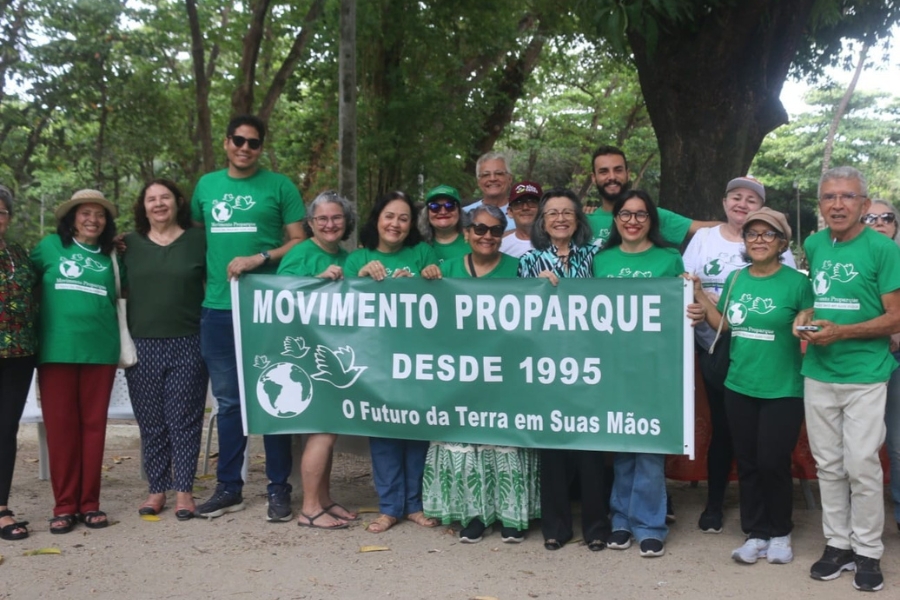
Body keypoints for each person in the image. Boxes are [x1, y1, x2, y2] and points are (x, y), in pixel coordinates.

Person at [191, 114, 306, 521]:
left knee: (275, 399)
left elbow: (299, 240)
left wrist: (260, 258)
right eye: (238, 140)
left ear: (261, 148)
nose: (244, 147)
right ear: (226, 143)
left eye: (253, 143)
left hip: (267, 308)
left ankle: (279, 488)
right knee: (228, 403)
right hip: (218, 308)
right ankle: (229, 488)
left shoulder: (279, 186)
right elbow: (191, 236)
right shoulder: (206, 186)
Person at [796, 167, 900, 592]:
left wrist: (844, 332)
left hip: (866, 372)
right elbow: (814, 298)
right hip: (818, 371)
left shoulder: (883, 249)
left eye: (847, 197)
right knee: (828, 465)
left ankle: (868, 551)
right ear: (820, 205)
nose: (837, 205)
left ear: (863, 203)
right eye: (829, 197)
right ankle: (837, 544)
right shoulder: (814, 243)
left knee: (862, 463)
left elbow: (896, 316)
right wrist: (803, 320)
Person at [691, 207, 812, 565]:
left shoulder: (798, 283)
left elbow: (810, 323)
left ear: (782, 243)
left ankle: (780, 532)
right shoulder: (737, 279)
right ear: (744, 241)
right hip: (739, 385)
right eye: (752, 234)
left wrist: (809, 324)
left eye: (767, 234)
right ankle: (755, 532)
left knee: (773, 461)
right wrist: (698, 293)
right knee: (746, 462)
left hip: (783, 388)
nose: (759, 240)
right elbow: (725, 326)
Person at [682, 176, 797, 534]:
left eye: (751, 199)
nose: (741, 204)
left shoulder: (783, 257)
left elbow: (789, 297)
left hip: (766, 353)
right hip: (712, 346)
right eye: (736, 197)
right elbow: (685, 283)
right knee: (726, 430)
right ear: (724, 201)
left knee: (766, 444)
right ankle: (717, 506)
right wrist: (698, 301)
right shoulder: (705, 240)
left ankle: (773, 523)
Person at [422, 204, 537, 543]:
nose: (488, 236)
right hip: (460, 374)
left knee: (506, 445)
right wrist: (423, 279)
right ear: (467, 233)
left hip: (507, 373)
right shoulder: (446, 269)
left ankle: (512, 516)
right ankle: (474, 515)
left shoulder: (520, 269)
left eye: (496, 231)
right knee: (469, 445)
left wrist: (546, 285)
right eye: (481, 230)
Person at [593, 190, 685, 558]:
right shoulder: (602, 260)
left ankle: (649, 524)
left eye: (641, 215)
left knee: (649, 444)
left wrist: (693, 310)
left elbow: (683, 307)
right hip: (614, 365)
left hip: (656, 366)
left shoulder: (669, 258)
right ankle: (620, 521)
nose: (633, 221)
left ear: (651, 220)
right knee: (621, 442)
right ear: (615, 221)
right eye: (625, 215)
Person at [344, 191, 441, 533]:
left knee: (416, 430)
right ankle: (389, 507)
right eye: (389, 216)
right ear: (377, 219)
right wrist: (362, 278)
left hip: (417, 357)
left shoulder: (423, 252)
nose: (395, 224)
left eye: (403, 218)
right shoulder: (359, 258)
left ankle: (414, 505)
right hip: (376, 360)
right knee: (383, 430)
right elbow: (342, 306)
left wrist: (429, 276)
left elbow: (443, 296)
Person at [518, 188, 608, 550]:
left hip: (590, 361)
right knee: (552, 445)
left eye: (567, 212)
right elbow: (519, 311)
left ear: (578, 220)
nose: (559, 218)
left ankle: (597, 527)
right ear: (542, 222)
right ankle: (555, 527)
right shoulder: (528, 262)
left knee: (591, 446)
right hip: (546, 363)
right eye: (551, 213)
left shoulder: (597, 256)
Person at [31, 189, 121, 533]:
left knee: (94, 428)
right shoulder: (50, 247)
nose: (92, 220)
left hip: (101, 351)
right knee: (61, 428)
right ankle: (65, 504)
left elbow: (124, 293)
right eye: (85, 213)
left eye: (99, 215)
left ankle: (90, 503)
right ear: (71, 218)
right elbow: (24, 281)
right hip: (56, 351)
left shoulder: (112, 255)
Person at [122, 179, 207, 520]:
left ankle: (184, 491)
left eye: (165, 197)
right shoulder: (127, 244)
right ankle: (157, 489)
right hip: (141, 343)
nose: (158, 204)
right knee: (151, 421)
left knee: (184, 420)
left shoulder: (199, 240)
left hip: (189, 340)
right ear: (143, 207)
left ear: (178, 202)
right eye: (151, 199)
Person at [276, 191, 359, 529]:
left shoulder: (345, 255)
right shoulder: (300, 252)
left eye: (336, 217)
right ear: (310, 223)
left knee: (330, 430)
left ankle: (323, 499)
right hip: (307, 352)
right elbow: (275, 295)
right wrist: (313, 283)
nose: (329, 224)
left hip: (332, 351)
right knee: (321, 431)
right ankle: (310, 508)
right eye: (321, 218)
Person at [587, 145, 719, 249]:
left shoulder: (651, 215)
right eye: (604, 171)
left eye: (618, 170)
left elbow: (704, 228)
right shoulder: (583, 221)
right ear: (594, 178)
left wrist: (738, 221)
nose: (612, 177)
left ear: (628, 174)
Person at [0, 184, 38, 540]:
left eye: (0, 212)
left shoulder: (19, 255)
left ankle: (1, 509)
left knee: (5, 430)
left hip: (18, 355)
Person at [860, 199, 900, 533]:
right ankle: (854, 518)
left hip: (896, 359)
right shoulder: (849, 261)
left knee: (898, 442)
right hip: (858, 360)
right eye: (870, 217)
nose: (880, 222)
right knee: (857, 445)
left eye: (887, 217)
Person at [463, 152, 516, 231]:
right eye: (486, 175)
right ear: (478, 182)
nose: (492, 179)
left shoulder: (523, 213)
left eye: (499, 173)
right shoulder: (465, 214)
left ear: (509, 179)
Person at [418, 184, 468, 264]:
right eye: (435, 206)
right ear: (427, 213)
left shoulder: (473, 242)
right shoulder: (418, 246)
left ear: (459, 211)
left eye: (450, 206)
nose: (443, 212)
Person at [500, 180, 541, 258]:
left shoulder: (557, 241)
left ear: (542, 208)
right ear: (510, 212)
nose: (525, 208)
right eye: (518, 203)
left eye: (532, 202)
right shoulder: (500, 247)